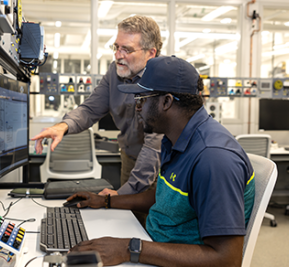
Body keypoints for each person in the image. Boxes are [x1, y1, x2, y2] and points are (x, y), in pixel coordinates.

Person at [67, 56, 256, 267]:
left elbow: (227, 260)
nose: (137, 108)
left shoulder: (213, 159)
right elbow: (165, 200)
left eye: (142, 99)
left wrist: (128, 248)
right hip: (153, 244)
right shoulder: (174, 138)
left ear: (166, 102)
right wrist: (106, 201)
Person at [31, 15, 164, 196]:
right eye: (116, 47)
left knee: (151, 219)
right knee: (128, 217)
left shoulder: (162, 81)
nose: (118, 55)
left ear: (150, 53)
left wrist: (120, 195)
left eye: (127, 49)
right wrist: (62, 127)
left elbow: (153, 146)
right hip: (129, 156)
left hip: (163, 164)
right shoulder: (114, 73)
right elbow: (90, 109)